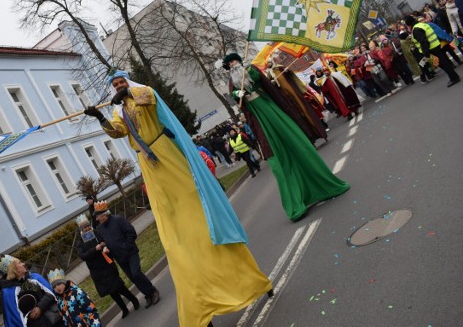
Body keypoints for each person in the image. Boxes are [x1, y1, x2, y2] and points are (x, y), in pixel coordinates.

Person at [84, 69, 273, 327]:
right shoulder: (120, 112)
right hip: (148, 163)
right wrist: (99, 117)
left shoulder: (141, 94)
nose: (118, 86)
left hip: (164, 151)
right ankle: (200, 304)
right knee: (175, 235)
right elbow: (117, 131)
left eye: (121, 82)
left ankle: (248, 280)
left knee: (195, 211)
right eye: (115, 85)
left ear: (127, 82)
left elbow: (150, 97)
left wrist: (129, 92)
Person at [222, 53, 350, 221]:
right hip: (259, 118)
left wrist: (249, 71)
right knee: (278, 163)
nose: (233, 65)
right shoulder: (232, 82)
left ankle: (323, 186)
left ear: (239, 61)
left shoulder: (250, 69)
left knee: (298, 145)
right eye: (229, 64)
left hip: (270, 109)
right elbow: (235, 98)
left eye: (234, 61)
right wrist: (237, 94)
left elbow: (260, 81)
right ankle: (296, 203)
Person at [91, 200, 160, 308]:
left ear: (104, 214)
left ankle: (153, 291)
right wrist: (104, 247)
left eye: (98, 216)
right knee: (133, 278)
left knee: (136, 273)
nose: (96, 219)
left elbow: (131, 233)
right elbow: (102, 241)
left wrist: (126, 246)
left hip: (131, 253)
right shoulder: (100, 228)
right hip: (119, 258)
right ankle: (148, 295)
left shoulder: (118, 220)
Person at [75, 214, 139, 319]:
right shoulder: (80, 242)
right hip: (97, 271)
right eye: (84, 227)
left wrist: (104, 247)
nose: (87, 228)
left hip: (107, 264)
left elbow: (105, 241)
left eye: (87, 226)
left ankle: (133, 300)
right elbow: (83, 256)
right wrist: (95, 249)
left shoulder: (96, 233)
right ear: (81, 229)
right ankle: (123, 308)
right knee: (111, 291)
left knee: (119, 286)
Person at [0, 255, 62, 327]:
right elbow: (14, 317)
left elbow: (51, 293)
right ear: (13, 269)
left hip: (54, 317)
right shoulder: (8, 292)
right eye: (19, 263)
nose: (23, 264)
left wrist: (40, 307)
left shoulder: (34, 277)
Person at [405, 14, 460, 87]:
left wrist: (426, 53)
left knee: (443, 64)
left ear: (409, 24)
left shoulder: (416, 29)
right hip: (436, 45)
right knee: (444, 63)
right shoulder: (422, 25)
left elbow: (423, 41)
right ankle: (454, 76)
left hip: (431, 49)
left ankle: (454, 77)